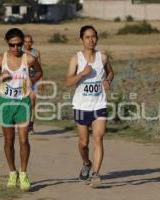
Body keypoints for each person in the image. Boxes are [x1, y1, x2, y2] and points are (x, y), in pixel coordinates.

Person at [0, 28, 42, 191]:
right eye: (13, 45)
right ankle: (12, 172)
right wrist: (0, 78)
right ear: (7, 43)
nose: (16, 48)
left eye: (19, 44)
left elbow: (39, 72)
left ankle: (23, 173)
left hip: (23, 102)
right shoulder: (0, 59)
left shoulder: (29, 58)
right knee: (9, 141)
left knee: (24, 140)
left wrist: (31, 80)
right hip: (6, 103)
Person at [66, 25, 114, 188]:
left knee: (98, 138)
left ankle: (95, 174)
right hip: (81, 106)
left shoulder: (103, 57)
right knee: (83, 143)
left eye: (93, 36)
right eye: (87, 37)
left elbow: (111, 73)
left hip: (99, 104)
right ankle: (86, 163)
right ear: (81, 40)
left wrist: (108, 80)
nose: (91, 40)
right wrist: (81, 74)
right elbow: (68, 82)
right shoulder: (76, 59)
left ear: (97, 38)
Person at [22, 34, 41, 135]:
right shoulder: (20, 53)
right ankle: (22, 123)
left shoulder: (36, 53)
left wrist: (41, 81)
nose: (27, 44)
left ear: (32, 42)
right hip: (22, 82)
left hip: (33, 81)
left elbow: (39, 69)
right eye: (25, 41)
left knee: (32, 103)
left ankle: (31, 125)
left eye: (29, 41)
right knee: (23, 103)